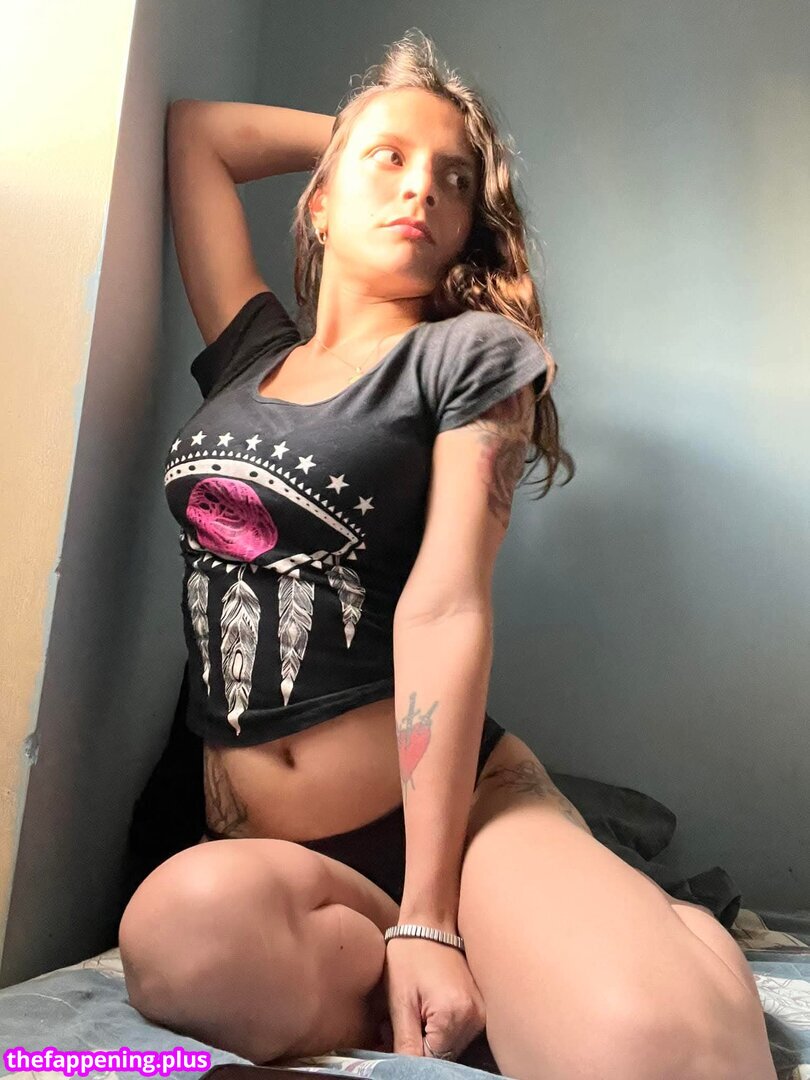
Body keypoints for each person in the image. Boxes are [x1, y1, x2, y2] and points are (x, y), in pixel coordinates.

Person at [119, 30, 776, 1079]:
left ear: (470, 225)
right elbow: (196, 136)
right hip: (286, 862)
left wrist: (430, 912)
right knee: (177, 942)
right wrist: (369, 131)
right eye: (391, 164)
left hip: (461, 819)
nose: (423, 188)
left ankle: (650, 931)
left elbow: (446, 606)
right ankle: (461, 978)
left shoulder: (468, 355)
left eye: (455, 180)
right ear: (320, 202)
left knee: (658, 1053)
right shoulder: (249, 354)